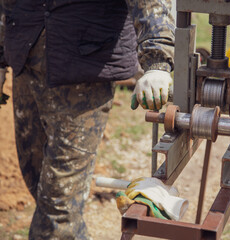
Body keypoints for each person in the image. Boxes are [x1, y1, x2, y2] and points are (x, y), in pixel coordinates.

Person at [0, 0, 174, 239]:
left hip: (84, 70)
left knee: (57, 212)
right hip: (26, 58)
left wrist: (157, 62)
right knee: (38, 180)